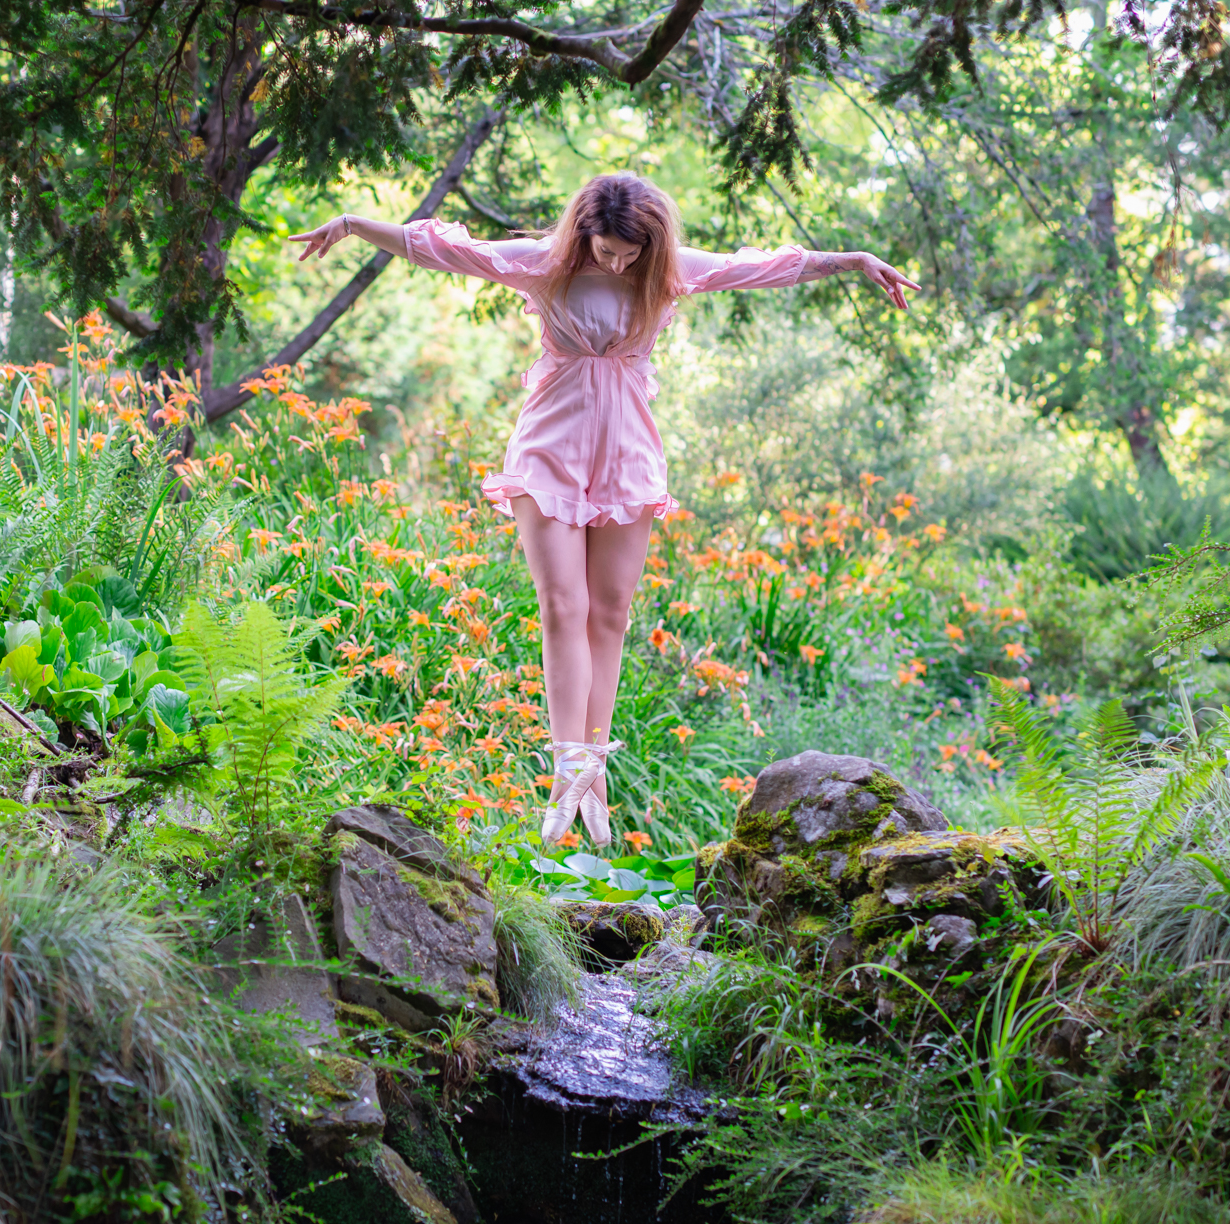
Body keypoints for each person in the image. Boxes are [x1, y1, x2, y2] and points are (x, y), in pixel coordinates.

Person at [290, 172, 920, 847]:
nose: (617, 263)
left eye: (629, 254)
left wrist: (852, 260)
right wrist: (355, 224)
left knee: (610, 615)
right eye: (606, 251)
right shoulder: (548, 264)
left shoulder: (667, 272)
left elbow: (757, 268)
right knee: (563, 603)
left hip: (627, 457)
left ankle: (592, 766)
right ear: (584, 233)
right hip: (549, 451)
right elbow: (447, 248)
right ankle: (568, 764)